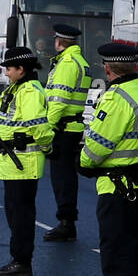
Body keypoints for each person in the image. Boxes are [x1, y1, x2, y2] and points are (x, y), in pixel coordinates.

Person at [79, 42, 138, 276]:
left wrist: (84, 163)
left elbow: (97, 145)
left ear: (108, 68)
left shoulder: (116, 98)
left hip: (117, 186)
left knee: (114, 249)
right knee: (130, 248)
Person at [0, 47, 52, 276]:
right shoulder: (18, 88)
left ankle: (21, 262)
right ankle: (19, 259)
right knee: (14, 213)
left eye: (9, 69)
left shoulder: (29, 91)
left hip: (24, 162)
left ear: (21, 69)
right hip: (14, 161)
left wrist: (48, 147)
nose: (6, 73)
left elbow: (39, 127)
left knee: (21, 215)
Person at [42, 23, 90, 242]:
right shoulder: (77, 61)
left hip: (63, 128)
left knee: (61, 178)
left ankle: (66, 223)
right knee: (65, 176)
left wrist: (47, 128)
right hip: (70, 127)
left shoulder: (67, 64)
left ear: (59, 42)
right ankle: (66, 221)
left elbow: (58, 102)